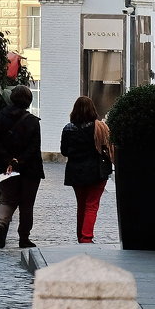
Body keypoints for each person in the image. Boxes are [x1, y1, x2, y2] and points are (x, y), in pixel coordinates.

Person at [0, 84, 43, 249]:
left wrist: (8, 159)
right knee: (27, 204)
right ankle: (24, 238)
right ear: (29, 101)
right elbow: (34, 147)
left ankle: (2, 223)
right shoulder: (33, 122)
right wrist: (19, 160)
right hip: (29, 169)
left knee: (7, 198)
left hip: (6, 167)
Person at [60, 95, 112, 243]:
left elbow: (64, 151)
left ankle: (81, 236)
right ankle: (86, 237)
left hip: (76, 171)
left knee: (81, 205)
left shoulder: (68, 129)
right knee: (92, 204)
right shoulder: (99, 127)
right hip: (96, 171)